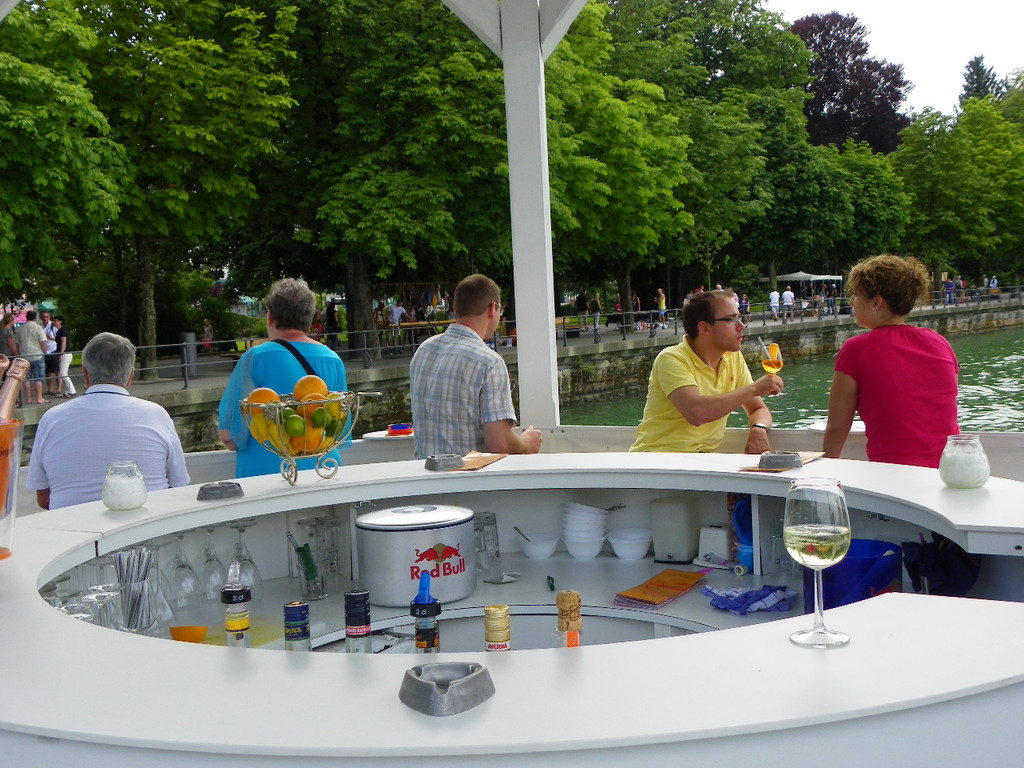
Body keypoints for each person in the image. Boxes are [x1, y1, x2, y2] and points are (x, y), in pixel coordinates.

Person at [823, 254, 959, 468]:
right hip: (950, 467)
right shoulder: (939, 342)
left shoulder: (856, 350)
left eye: (857, 295)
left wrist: (825, 470)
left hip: (894, 471)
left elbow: (837, 427)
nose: (851, 302)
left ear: (877, 302)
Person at [26, 332, 190, 509]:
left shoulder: (51, 419)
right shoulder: (157, 415)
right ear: (130, 376)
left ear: (85, 374)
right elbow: (179, 485)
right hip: (148, 522)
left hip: (73, 525)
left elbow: (44, 499)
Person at [218, 278, 349, 478]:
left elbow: (230, 436)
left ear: (270, 316)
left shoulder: (256, 358)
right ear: (309, 317)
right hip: (324, 471)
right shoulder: (333, 359)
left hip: (269, 475)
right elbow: (339, 428)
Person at [630, 290, 783, 454]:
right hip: (658, 458)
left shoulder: (733, 357)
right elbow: (696, 413)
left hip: (703, 460)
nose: (741, 326)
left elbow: (758, 409)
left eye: (739, 318)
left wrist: (759, 429)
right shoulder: (672, 359)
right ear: (704, 328)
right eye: (731, 320)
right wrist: (754, 388)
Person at [409, 273, 542, 460]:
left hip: (423, 475)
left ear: (455, 308)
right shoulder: (489, 362)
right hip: (468, 475)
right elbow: (500, 444)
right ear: (492, 309)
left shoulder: (424, 350)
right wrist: (526, 442)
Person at [13, 309, 48, 404]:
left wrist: (18, 353)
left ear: (26, 317)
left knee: (26, 379)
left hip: (24, 356)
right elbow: (43, 342)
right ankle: (39, 398)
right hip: (37, 355)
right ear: (35, 317)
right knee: (38, 378)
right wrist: (44, 351)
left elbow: (17, 343)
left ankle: (28, 399)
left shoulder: (20, 329)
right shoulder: (38, 328)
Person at [52, 316, 76, 397]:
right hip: (65, 353)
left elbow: (64, 343)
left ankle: (71, 390)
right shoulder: (60, 331)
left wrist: (61, 354)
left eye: (56, 321)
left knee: (63, 373)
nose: (54, 322)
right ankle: (68, 390)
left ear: (60, 321)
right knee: (63, 372)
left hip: (65, 354)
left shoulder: (63, 331)